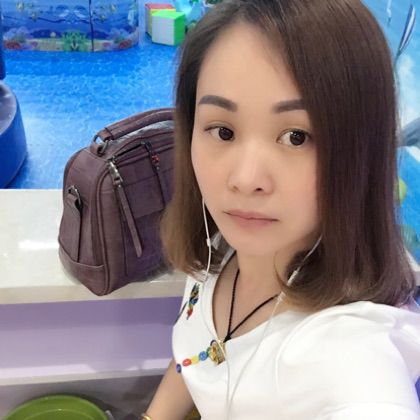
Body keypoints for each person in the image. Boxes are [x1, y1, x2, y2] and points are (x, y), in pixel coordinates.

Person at [142, 0, 420, 418]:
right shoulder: (224, 244)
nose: (244, 179)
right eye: (223, 131)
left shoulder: (352, 359)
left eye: (296, 137)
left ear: (360, 150)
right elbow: (200, 354)